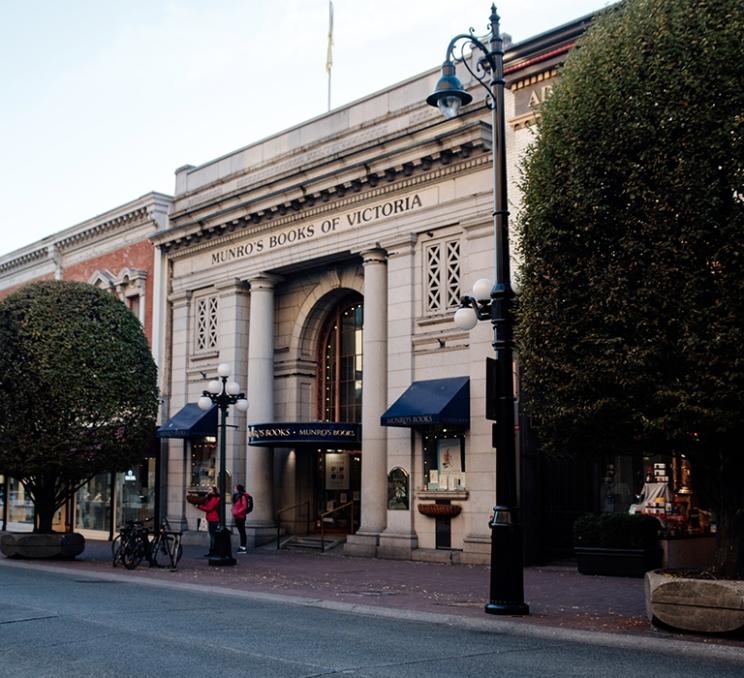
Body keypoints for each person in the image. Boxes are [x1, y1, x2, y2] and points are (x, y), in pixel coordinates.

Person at [195, 485, 220, 556]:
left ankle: (213, 551)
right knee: (212, 535)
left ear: (214, 491)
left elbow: (209, 508)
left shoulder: (215, 498)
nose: (208, 491)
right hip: (211, 518)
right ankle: (212, 551)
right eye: (208, 489)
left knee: (213, 536)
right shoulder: (210, 498)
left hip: (214, 519)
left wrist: (199, 506)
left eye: (210, 490)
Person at [231, 484, 251, 553]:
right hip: (238, 516)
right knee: (241, 531)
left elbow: (244, 506)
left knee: (242, 531)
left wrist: (237, 512)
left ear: (238, 489)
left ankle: (243, 547)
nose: (234, 489)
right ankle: (242, 546)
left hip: (241, 516)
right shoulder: (237, 496)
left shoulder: (242, 496)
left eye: (235, 488)